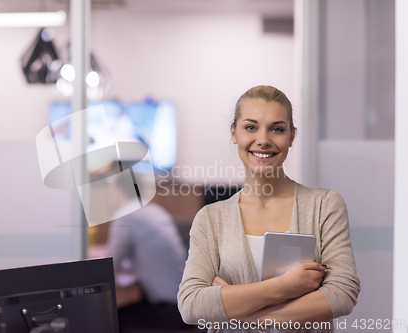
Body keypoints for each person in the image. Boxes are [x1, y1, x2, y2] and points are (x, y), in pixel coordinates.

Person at [177, 85, 360, 333]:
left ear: (291, 136)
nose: (263, 140)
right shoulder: (211, 219)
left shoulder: (324, 205)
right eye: (251, 127)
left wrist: (233, 308)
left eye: (277, 129)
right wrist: (283, 287)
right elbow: (191, 306)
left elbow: (341, 294)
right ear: (234, 132)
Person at [106, 173, 190, 332]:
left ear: (118, 191)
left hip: (170, 310)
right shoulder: (156, 211)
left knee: (112, 319)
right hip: (184, 304)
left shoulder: (126, 217)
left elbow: (108, 267)